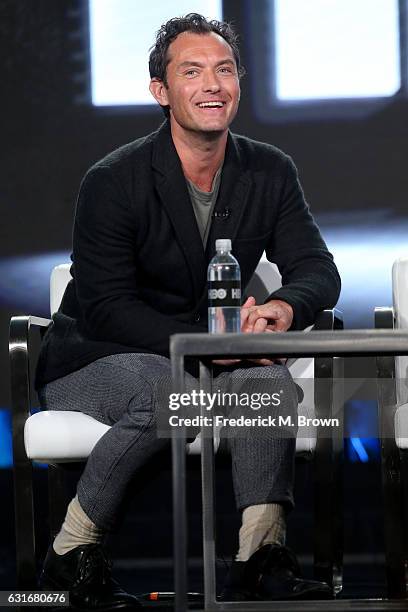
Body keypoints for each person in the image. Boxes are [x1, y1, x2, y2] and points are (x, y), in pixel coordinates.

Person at [35, 13, 341, 610]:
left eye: (224, 70)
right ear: (161, 91)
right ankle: (72, 554)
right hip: (102, 353)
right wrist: (202, 344)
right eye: (192, 71)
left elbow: (317, 270)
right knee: (174, 390)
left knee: (268, 386)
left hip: (211, 354)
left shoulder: (269, 169)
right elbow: (105, 307)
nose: (212, 84)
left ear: (239, 84)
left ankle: (259, 561)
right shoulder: (113, 180)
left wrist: (282, 305)